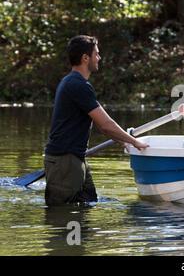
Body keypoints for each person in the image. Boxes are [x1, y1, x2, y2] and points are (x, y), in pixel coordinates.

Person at [44, 35, 148, 206]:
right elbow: (107, 125)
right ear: (86, 58)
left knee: (88, 204)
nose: (99, 58)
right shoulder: (78, 85)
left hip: (75, 159)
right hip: (65, 161)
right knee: (63, 215)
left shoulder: (73, 82)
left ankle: (82, 233)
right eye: (97, 54)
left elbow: (102, 125)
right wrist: (134, 142)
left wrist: (121, 140)